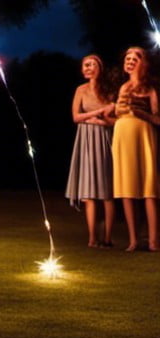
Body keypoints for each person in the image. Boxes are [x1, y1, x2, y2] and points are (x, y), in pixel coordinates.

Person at [64, 54, 117, 247]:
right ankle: (92, 238)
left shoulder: (108, 91)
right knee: (88, 190)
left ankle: (108, 237)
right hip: (85, 138)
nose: (88, 68)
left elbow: (115, 118)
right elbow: (76, 117)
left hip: (103, 137)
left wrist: (102, 120)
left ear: (99, 68)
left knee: (106, 190)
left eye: (92, 64)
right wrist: (95, 115)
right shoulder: (81, 90)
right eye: (85, 65)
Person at [112, 46, 159, 252]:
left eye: (135, 58)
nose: (130, 61)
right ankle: (133, 240)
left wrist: (143, 115)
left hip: (144, 135)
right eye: (128, 58)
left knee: (148, 187)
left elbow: (157, 118)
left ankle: (153, 241)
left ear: (143, 64)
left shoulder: (151, 89)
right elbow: (118, 112)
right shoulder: (123, 87)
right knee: (126, 186)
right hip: (123, 135)